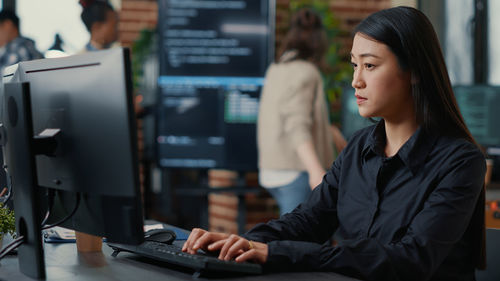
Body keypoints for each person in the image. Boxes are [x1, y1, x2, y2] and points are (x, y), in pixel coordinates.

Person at [182, 6, 486, 281]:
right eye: (354, 65)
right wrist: (240, 243)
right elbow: (308, 221)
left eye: (369, 66)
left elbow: (410, 261)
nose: (356, 80)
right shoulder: (358, 147)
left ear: (415, 72)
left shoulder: (460, 162)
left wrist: (276, 254)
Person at [257, 8, 346, 216]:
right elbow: (297, 124)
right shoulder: (307, 73)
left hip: (272, 169)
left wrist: (328, 130)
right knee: (298, 245)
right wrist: (316, 171)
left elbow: (285, 113)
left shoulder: (277, 68)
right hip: (298, 173)